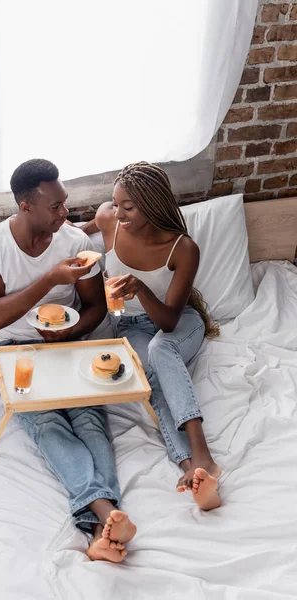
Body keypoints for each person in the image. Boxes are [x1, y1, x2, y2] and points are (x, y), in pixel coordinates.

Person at [0, 159, 136, 562]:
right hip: (15, 351)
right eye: (55, 206)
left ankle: (101, 530)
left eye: (64, 203)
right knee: (46, 423)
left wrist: (72, 333)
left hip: (68, 345)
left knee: (91, 421)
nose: (66, 213)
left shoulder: (78, 242)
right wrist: (49, 280)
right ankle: (106, 512)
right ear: (26, 205)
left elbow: (94, 307)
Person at [96, 161, 221, 511]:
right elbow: (75, 231)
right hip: (130, 326)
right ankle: (189, 468)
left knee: (161, 349)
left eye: (128, 207)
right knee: (151, 378)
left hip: (178, 324)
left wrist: (140, 289)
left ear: (152, 205)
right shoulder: (110, 220)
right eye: (115, 203)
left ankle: (203, 453)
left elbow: (168, 321)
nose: (118, 213)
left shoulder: (183, 249)